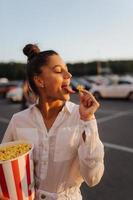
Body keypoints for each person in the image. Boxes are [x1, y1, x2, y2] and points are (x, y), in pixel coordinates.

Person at [2, 44, 104, 200]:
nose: (68, 75)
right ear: (39, 81)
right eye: (58, 70)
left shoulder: (81, 117)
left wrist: (88, 120)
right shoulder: (18, 121)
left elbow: (93, 178)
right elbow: (3, 168)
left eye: (67, 69)